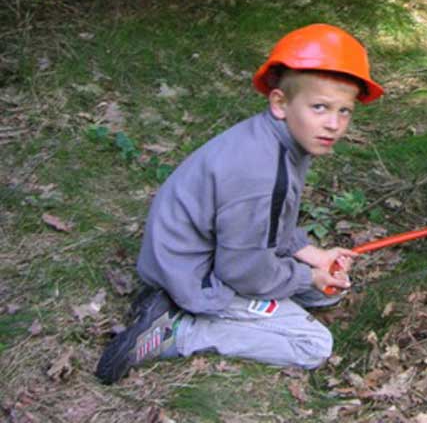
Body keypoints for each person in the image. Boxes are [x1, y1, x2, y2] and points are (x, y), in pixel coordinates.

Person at [95, 23, 384, 384]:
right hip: (192, 273)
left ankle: (184, 305)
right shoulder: (260, 172)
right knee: (313, 344)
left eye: (345, 111)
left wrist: (313, 256)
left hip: (208, 251)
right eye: (320, 107)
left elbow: (272, 220)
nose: (334, 125)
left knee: (322, 294)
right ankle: (179, 330)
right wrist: (306, 275)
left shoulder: (281, 138)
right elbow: (243, 270)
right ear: (280, 103)